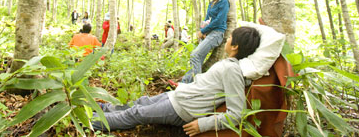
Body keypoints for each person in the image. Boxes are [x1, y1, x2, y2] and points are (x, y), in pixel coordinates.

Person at [92, 26, 261, 135]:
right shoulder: (228, 65)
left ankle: (90, 122)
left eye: (231, 37)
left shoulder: (232, 70)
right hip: (179, 95)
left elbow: (236, 114)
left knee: (136, 113)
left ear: (235, 46)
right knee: (141, 102)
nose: (228, 39)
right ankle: (103, 108)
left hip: (182, 108)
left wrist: (202, 125)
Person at [179, 0, 229, 84]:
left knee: (195, 55)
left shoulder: (224, 2)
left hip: (217, 33)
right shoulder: (211, 3)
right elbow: (207, 18)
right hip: (208, 33)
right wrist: (203, 30)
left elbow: (219, 20)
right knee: (199, 58)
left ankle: (197, 84)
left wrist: (204, 30)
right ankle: (185, 82)